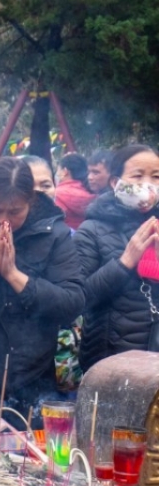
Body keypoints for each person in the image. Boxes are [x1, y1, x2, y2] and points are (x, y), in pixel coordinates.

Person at [0, 158, 84, 417]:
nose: (4, 221)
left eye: (14, 212)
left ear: (30, 202)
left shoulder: (53, 232)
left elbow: (72, 302)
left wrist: (14, 275)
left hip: (34, 379)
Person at [75, 144, 159, 372]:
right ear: (115, 182)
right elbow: (78, 298)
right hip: (111, 359)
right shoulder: (92, 229)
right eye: (138, 176)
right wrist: (124, 263)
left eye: (156, 176)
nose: (148, 184)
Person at [54, 153, 96, 231]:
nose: (57, 173)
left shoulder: (57, 194)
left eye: (58, 170)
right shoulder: (93, 191)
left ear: (65, 171)